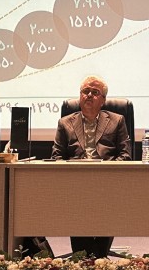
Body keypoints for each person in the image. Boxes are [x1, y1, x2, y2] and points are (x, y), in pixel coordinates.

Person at [50, 75, 131, 258]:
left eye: (95, 92)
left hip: (107, 183)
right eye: (85, 91)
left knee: (107, 202)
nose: (89, 95)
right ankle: (83, 258)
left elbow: (125, 156)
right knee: (81, 244)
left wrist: (106, 173)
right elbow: (57, 157)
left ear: (103, 100)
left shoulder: (117, 120)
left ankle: (99, 257)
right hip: (75, 183)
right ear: (80, 96)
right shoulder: (65, 123)